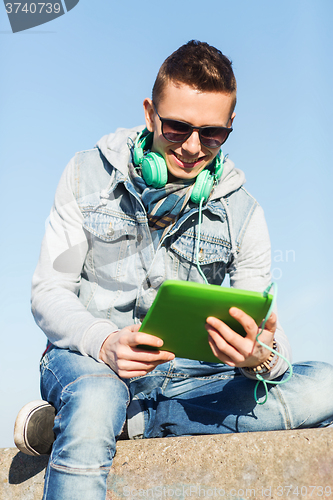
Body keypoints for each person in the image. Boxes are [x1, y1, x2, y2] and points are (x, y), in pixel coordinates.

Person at [14, 40, 333, 500]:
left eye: (211, 134)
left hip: (190, 377)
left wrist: (259, 355)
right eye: (176, 127)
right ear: (150, 113)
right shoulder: (85, 175)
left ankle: (122, 423)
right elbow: (49, 290)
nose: (190, 146)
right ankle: (100, 413)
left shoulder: (245, 214)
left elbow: (265, 332)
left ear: (229, 127)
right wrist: (104, 342)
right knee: (98, 396)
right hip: (88, 362)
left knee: (322, 384)